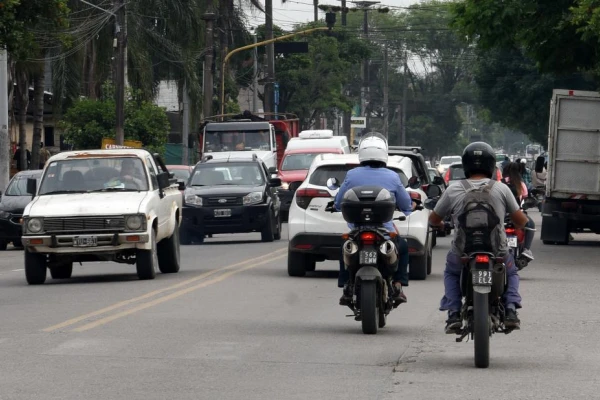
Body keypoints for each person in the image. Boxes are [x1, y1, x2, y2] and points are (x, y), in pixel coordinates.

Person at [428, 142, 529, 333]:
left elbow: (434, 219)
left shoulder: (453, 189)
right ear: (491, 165)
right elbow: (520, 221)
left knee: (451, 272)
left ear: (465, 164)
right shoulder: (501, 189)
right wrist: (520, 222)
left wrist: (441, 224)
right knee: (512, 272)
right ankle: (510, 311)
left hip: (463, 251)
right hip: (497, 249)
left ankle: (454, 313)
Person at [334, 132, 416, 306]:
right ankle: (398, 285)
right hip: (385, 231)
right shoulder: (393, 177)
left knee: (344, 248)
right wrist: (411, 207)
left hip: (356, 229)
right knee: (402, 247)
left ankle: (347, 286)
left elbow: (338, 202)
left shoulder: (352, 175)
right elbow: (406, 204)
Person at [502, 162, 535, 260]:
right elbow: (525, 196)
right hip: (517, 214)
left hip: (502, 214)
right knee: (531, 225)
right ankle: (526, 249)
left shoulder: (500, 183)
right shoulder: (521, 184)